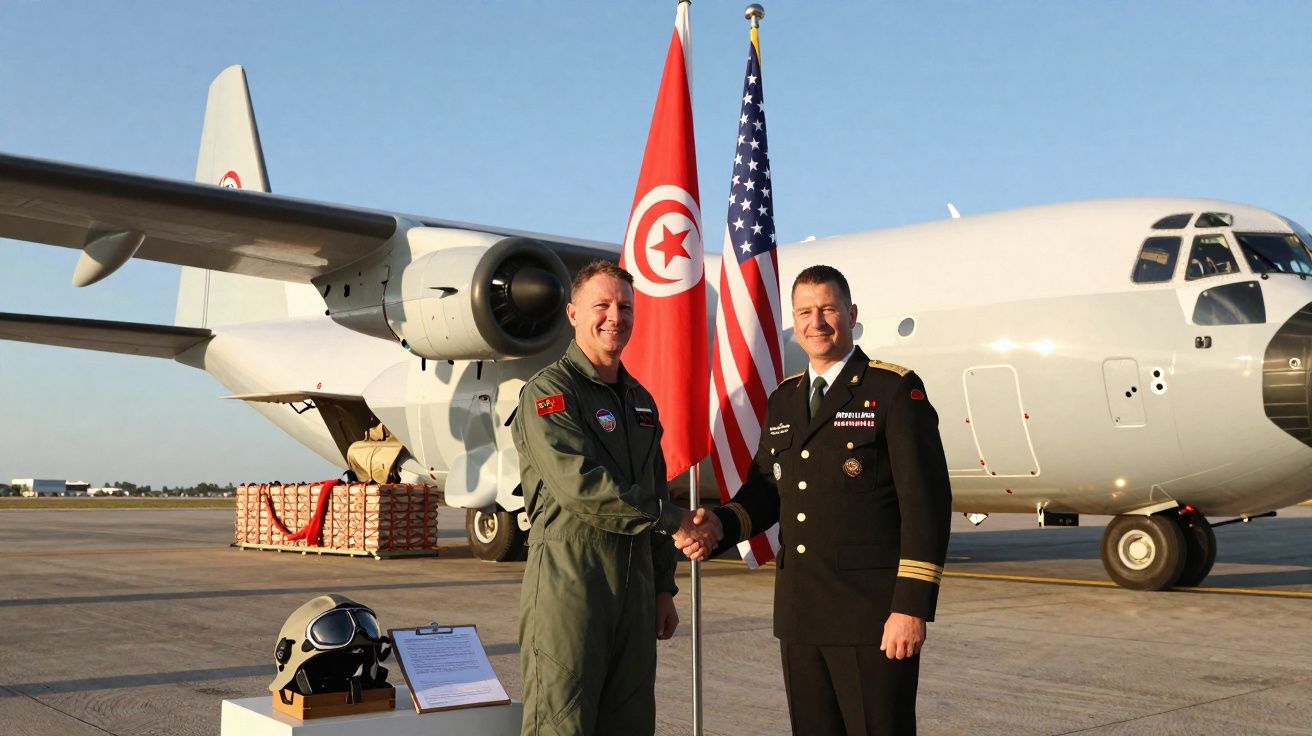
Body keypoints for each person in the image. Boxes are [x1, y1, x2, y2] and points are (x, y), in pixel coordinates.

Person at [678, 264, 952, 736]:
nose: (816, 322)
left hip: (872, 620)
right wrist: (721, 525)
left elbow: (926, 506)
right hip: (802, 616)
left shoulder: (891, 391)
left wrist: (910, 609)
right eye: (805, 312)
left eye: (828, 309)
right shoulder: (785, 399)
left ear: (852, 314)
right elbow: (767, 488)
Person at [512, 260, 718, 736]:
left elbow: (654, 489)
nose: (614, 317)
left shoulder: (640, 402)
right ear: (572, 313)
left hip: (636, 592)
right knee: (562, 724)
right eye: (600, 305)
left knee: (630, 722)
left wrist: (664, 586)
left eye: (625, 306)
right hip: (572, 589)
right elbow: (581, 486)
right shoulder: (550, 393)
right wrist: (674, 520)